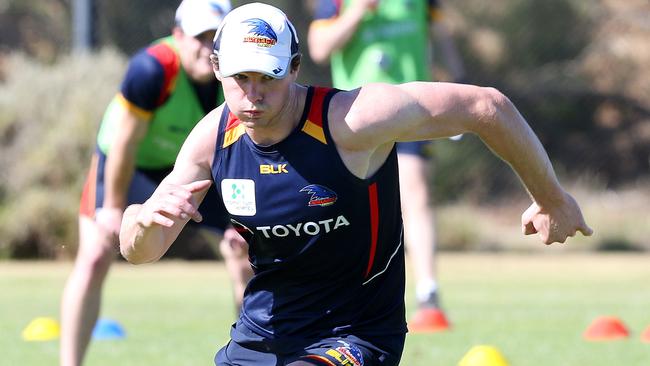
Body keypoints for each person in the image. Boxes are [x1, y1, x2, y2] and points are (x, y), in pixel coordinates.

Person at [119, 3, 593, 365]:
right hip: (262, 333)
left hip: (355, 332)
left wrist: (550, 198)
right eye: (240, 77)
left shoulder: (350, 120)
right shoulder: (211, 139)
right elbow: (140, 250)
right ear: (218, 68)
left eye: (270, 76)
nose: (254, 93)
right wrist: (141, 223)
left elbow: (485, 107)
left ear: (296, 68)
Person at [59, 1, 252, 365]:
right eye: (199, 37)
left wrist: (238, 221)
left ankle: (252, 355)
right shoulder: (151, 70)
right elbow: (124, 145)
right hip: (130, 166)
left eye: (216, 37)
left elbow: (238, 146)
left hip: (195, 169)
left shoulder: (238, 75)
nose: (206, 46)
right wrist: (113, 210)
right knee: (95, 255)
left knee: (242, 253)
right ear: (178, 36)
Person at [307, 0, 466, 332]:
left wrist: (459, 84)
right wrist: (357, 11)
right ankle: (332, 294)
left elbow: (440, 34)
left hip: (411, 112)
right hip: (352, 117)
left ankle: (428, 293)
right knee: (344, 205)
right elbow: (319, 48)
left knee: (416, 193)